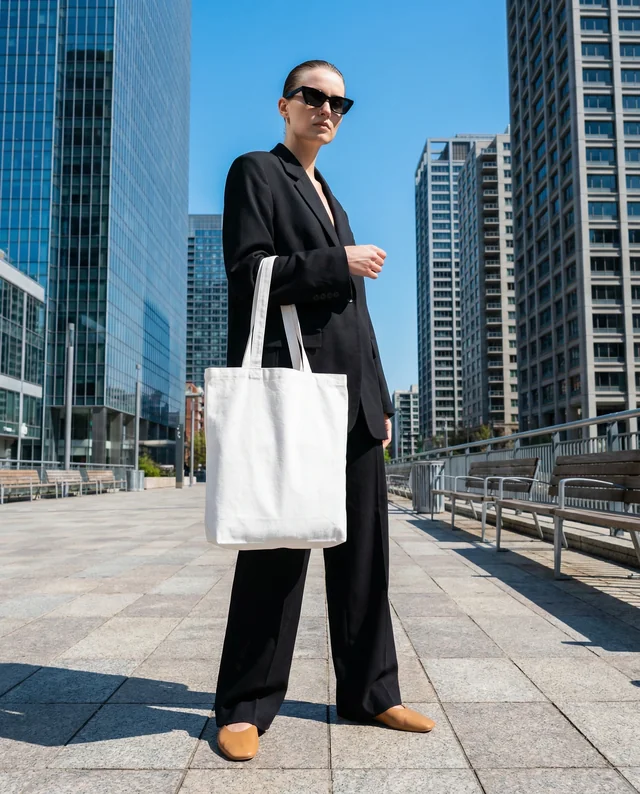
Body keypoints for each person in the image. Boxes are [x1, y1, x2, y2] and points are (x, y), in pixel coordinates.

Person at [215, 59, 435, 762]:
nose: (328, 110)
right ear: (285, 105)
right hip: (296, 393)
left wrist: (382, 396)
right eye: (314, 97)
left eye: (341, 102)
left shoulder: (331, 196)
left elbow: (358, 318)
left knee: (365, 556)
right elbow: (249, 273)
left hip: (356, 403)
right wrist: (338, 260)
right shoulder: (256, 172)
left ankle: (373, 692)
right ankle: (246, 705)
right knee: (278, 547)